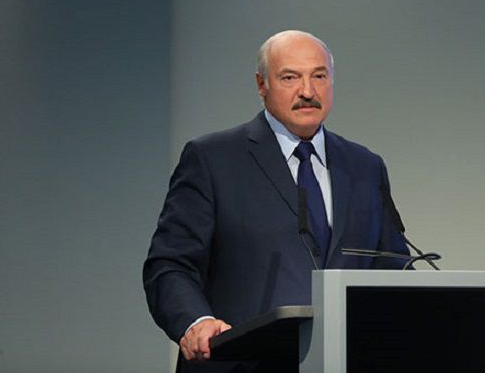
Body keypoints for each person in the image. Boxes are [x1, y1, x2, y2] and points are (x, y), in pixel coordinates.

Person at [143, 30, 409, 372]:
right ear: (261, 84)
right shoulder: (212, 159)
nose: (307, 91)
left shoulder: (364, 166)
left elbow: (394, 267)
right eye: (290, 78)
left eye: (319, 76)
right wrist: (196, 321)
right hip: (242, 363)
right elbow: (170, 265)